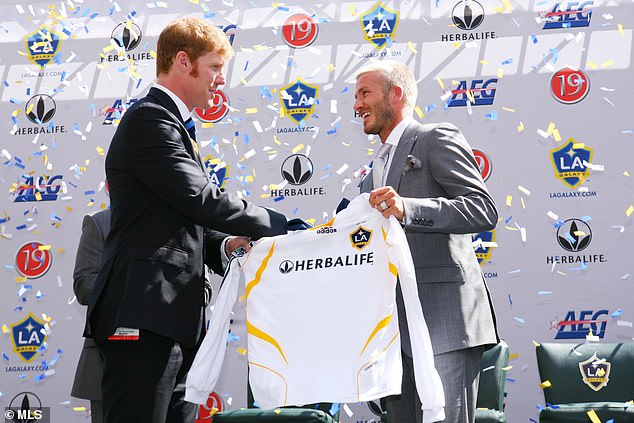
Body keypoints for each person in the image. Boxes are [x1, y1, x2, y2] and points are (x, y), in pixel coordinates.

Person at [84, 17, 288, 423]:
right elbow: (200, 198)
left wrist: (226, 245)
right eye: (214, 68)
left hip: (172, 317)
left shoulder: (170, 123)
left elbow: (180, 218)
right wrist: (282, 224)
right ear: (182, 61)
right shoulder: (149, 119)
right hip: (142, 313)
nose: (219, 81)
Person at [354, 60, 499, 423]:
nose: (356, 105)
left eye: (364, 93)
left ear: (396, 94)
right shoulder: (370, 174)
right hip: (393, 334)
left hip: (445, 324)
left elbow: (483, 209)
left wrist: (409, 208)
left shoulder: (434, 137)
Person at [71, 208, 110, 423]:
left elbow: (202, 290)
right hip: (106, 363)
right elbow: (84, 285)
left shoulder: (177, 221)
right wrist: (134, 283)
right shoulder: (100, 223)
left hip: (170, 363)